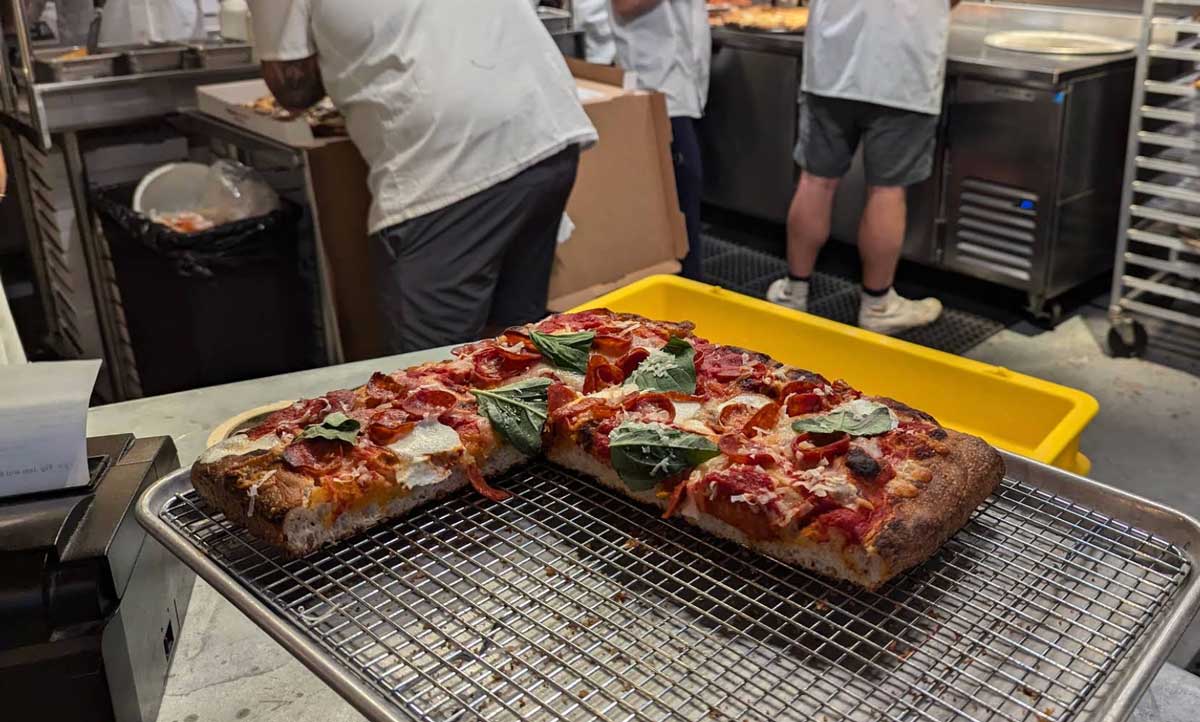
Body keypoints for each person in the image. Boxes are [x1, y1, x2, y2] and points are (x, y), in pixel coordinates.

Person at [251, 0, 597, 353]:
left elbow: (293, 86)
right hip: (543, 124)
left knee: (427, 375)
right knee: (512, 350)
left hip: (452, 157)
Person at [767, 0, 961, 335]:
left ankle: (793, 292)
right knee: (887, 189)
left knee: (816, 181)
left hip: (832, 62)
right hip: (904, 67)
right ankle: (878, 305)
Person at [609, 0, 710, 281]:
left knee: (683, 203)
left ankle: (685, 296)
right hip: (654, 87)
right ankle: (681, 298)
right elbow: (625, 4)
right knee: (676, 206)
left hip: (683, 88)